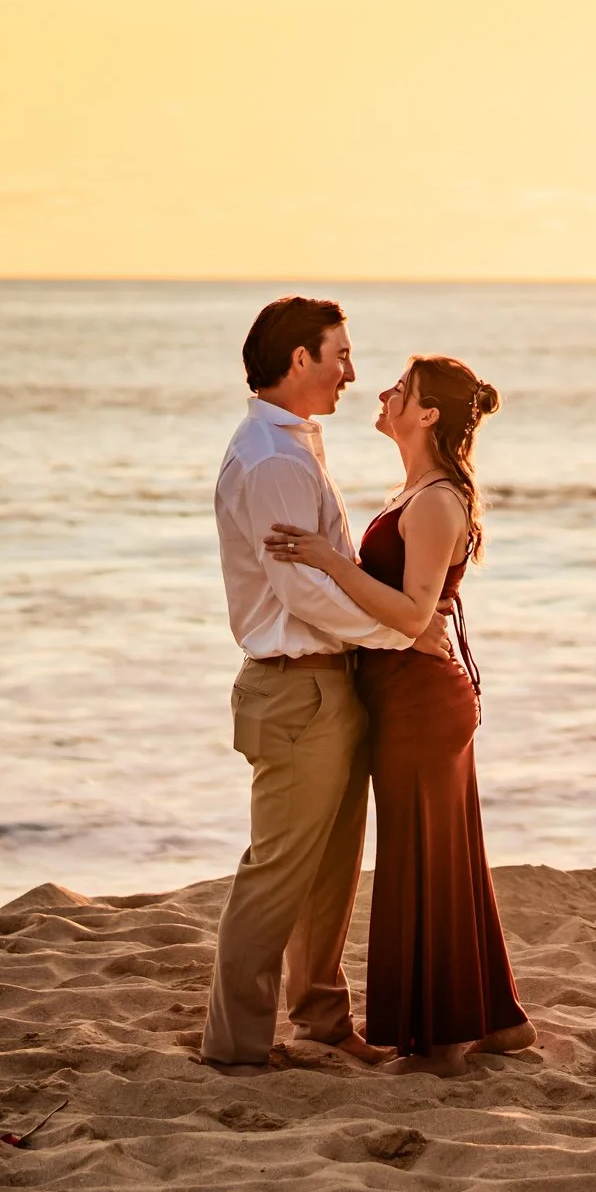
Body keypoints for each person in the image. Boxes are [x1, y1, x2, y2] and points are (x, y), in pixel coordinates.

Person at [266, 355, 534, 1077]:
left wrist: (327, 559)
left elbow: (414, 612)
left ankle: (444, 1038)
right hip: (406, 692)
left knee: (426, 859)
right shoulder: (417, 491)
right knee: (443, 857)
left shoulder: (437, 500)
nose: (382, 394)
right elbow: (415, 610)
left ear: (428, 415)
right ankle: (497, 1022)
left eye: (400, 390)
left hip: (420, 699)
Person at [200, 297, 408, 1070]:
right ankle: (235, 1044)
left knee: (330, 868)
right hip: (295, 689)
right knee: (277, 870)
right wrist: (399, 630)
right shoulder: (274, 459)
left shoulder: (292, 444)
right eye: (340, 355)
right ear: (298, 360)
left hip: (327, 683)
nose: (352, 370)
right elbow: (303, 594)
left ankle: (321, 1019)